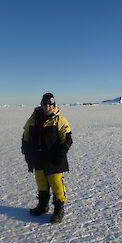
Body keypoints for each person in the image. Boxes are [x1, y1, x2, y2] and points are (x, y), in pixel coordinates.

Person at [21, 93, 73, 224]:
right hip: (38, 158)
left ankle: (59, 210)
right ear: (41, 104)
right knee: (41, 183)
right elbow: (26, 135)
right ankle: (43, 206)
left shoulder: (59, 119)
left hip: (54, 159)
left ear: (54, 105)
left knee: (56, 184)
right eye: (45, 104)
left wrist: (61, 153)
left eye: (50, 104)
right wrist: (25, 149)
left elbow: (67, 139)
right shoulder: (33, 119)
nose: (47, 106)